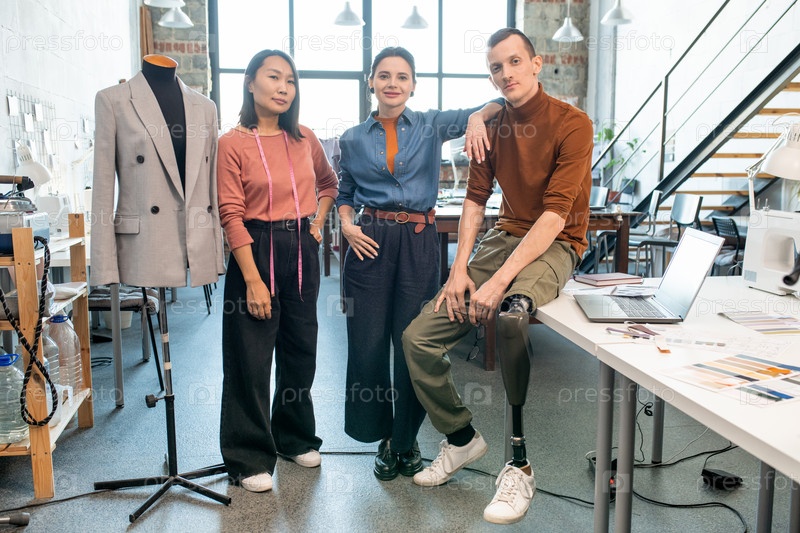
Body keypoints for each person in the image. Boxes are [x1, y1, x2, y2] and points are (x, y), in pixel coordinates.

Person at [402, 28, 593, 524]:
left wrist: (498, 281)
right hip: (504, 236)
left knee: (510, 317)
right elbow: (474, 200)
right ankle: (461, 437)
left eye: (514, 62)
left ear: (536, 62)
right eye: (495, 67)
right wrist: (459, 270)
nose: (506, 73)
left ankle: (519, 465)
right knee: (419, 338)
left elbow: (555, 216)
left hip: (557, 241)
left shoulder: (573, 124)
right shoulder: (489, 125)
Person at [337, 46, 502, 482]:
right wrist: (346, 225)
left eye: (402, 77)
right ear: (371, 81)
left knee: (411, 343)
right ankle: (382, 438)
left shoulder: (432, 124)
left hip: (417, 242)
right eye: (384, 75)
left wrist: (475, 118)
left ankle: (405, 440)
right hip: (369, 242)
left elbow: (498, 103)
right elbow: (344, 191)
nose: (393, 83)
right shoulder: (352, 138)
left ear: (413, 85)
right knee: (368, 345)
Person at [217, 49, 338, 493]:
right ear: (251, 83)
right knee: (250, 358)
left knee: (300, 349)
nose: (284, 87)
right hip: (255, 248)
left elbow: (329, 184)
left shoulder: (305, 138)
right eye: (273, 77)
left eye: (290, 80)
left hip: (301, 246)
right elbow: (230, 214)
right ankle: (248, 457)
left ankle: (294, 437)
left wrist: (317, 224)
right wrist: (252, 280)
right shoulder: (231, 143)